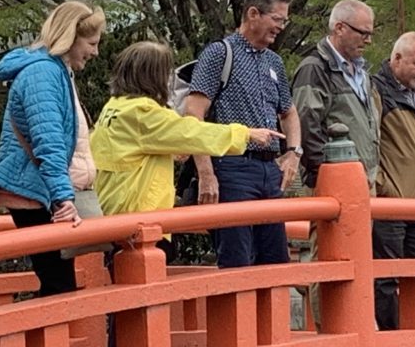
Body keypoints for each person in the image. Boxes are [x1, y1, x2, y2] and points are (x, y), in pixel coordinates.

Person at [91, 40, 284, 260]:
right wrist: (245, 134)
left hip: (116, 210)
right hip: (140, 218)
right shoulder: (143, 112)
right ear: (154, 76)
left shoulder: (114, 107)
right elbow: (191, 132)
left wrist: (170, 151)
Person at [0, 1, 104, 296]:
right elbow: (48, 142)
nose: (95, 52)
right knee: (58, 285)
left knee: (57, 283)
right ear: (70, 38)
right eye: (91, 43)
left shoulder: (52, 71)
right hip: (34, 191)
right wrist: (64, 198)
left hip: (37, 188)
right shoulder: (44, 74)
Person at [182, 0, 302, 268]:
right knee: (236, 258)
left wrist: (293, 153)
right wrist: (206, 172)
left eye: (284, 20)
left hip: (269, 168)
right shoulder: (220, 53)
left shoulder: (274, 61)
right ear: (253, 14)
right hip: (232, 166)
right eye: (276, 19)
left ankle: (272, 315)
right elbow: (193, 115)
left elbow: (289, 112)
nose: (281, 27)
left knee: (275, 260)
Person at [372, 31, 415, 330]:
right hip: (391, 200)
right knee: (386, 275)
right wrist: (382, 186)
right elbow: (368, 142)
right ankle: (390, 338)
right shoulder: (376, 91)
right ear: (396, 59)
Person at [292, 0, 380, 189]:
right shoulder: (315, 68)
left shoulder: (362, 72)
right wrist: (326, 172)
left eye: (370, 34)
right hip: (334, 182)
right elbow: (305, 125)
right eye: (363, 33)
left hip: (363, 181)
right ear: (339, 28)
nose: (369, 40)